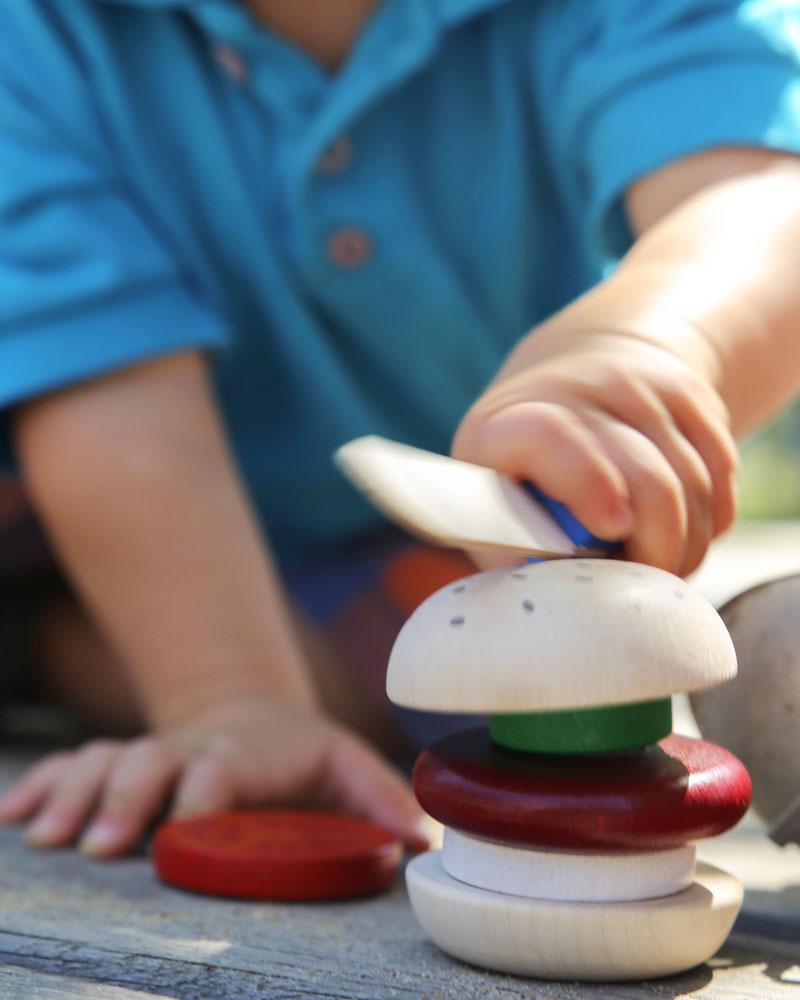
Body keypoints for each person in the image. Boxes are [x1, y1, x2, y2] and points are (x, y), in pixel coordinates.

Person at [0, 0, 799, 859]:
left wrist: (648, 345)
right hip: (82, 496)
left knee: (468, 659)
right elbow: (101, 381)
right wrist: (231, 700)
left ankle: (41, 643)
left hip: (403, 542)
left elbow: (756, 198)